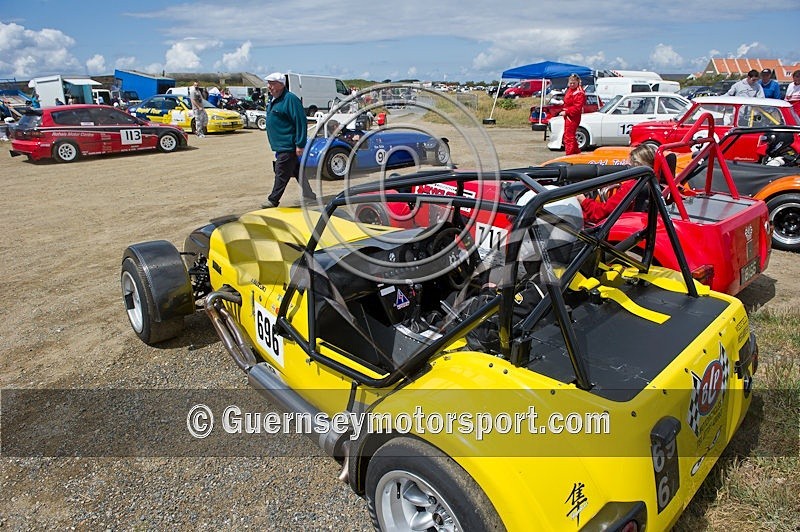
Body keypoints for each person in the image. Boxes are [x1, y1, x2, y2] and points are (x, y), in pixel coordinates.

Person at [261, 72, 317, 208]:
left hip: (288, 145)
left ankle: (273, 200)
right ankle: (310, 195)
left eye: (272, 84)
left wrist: (300, 144)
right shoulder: (274, 99)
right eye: (268, 83)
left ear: (281, 85)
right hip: (281, 145)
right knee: (297, 170)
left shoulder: (290, 99)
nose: (269, 86)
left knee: (281, 172)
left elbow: (300, 121)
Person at [578, 143, 657, 224]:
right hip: (641, 221)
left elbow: (601, 213)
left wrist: (583, 200)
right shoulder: (656, 183)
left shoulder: (631, 187)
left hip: (621, 224)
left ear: (636, 164)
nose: (626, 163)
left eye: (629, 163)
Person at [559, 74, 586, 155]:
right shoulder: (570, 90)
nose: (572, 85)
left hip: (573, 117)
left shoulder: (579, 93)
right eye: (570, 83)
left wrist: (566, 112)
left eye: (574, 83)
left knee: (568, 137)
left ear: (578, 82)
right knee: (570, 136)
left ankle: (569, 154)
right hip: (568, 116)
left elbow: (577, 108)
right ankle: (576, 153)